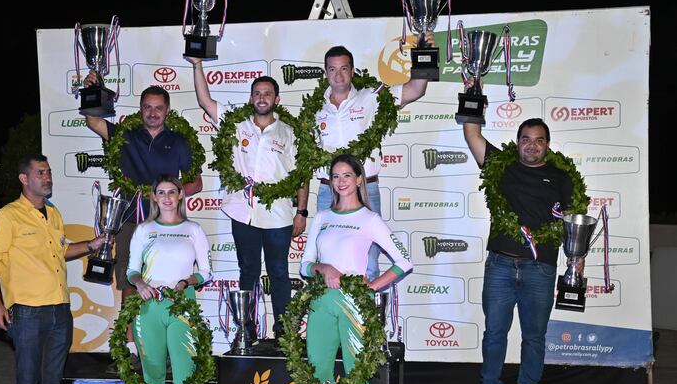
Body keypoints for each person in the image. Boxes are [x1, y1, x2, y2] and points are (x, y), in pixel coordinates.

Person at [0, 154, 106, 384]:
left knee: (52, 379)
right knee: (27, 379)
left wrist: (91, 245)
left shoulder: (52, 213)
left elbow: (61, 251)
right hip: (26, 312)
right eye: (41, 173)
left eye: (49, 172)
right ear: (24, 179)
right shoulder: (7, 216)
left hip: (58, 309)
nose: (47, 177)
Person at [462, 106, 579, 384]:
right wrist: (474, 91)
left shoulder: (562, 178)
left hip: (540, 268)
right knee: (495, 332)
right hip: (500, 264)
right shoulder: (502, 167)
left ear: (547, 146)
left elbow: (571, 223)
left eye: (538, 140)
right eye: (525, 139)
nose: (531, 145)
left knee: (534, 335)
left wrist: (576, 263)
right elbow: (472, 134)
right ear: (517, 142)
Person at [300, 154, 412, 384]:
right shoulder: (321, 217)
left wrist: (372, 286)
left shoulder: (370, 219)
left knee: (356, 375)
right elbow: (305, 265)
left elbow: (404, 262)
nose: (341, 181)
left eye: (347, 175)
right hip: (321, 303)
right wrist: (324, 267)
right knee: (319, 374)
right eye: (335, 176)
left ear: (360, 179)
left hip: (354, 306)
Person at [187, 57, 308, 342]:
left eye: (267, 93)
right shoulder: (236, 125)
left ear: (276, 98)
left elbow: (302, 174)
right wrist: (196, 65)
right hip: (243, 212)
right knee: (248, 272)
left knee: (279, 271)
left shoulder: (290, 133)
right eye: (257, 93)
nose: (261, 98)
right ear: (251, 98)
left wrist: (301, 210)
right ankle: (247, 329)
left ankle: (283, 333)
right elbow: (206, 101)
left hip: (278, 213)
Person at [313, 37, 433, 281]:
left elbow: (416, 89)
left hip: (365, 187)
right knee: (324, 263)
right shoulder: (314, 109)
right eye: (332, 69)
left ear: (353, 71)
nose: (338, 75)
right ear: (325, 73)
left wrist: (424, 51)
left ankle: (365, 317)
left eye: (344, 68)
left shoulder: (372, 97)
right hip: (327, 191)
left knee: (367, 264)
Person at [83, 72, 203, 304]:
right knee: (130, 278)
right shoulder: (125, 135)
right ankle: (129, 337)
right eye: (147, 107)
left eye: (158, 108)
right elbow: (93, 122)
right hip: (129, 220)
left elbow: (196, 183)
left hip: (166, 221)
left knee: (168, 277)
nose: (153, 113)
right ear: (140, 109)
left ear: (167, 110)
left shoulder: (179, 140)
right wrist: (92, 90)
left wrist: (166, 197)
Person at [127, 173, 213, 384]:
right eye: (160, 192)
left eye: (171, 192)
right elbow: (131, 271)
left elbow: (206, 272)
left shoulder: (193, 229)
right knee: (151, 376)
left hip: (182, 309)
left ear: (180, 196)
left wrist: (187, 280)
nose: (166, 197)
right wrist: (139, 284)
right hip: (149, 309)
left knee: (185, 377)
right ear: (153, 197)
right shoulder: (144, 230)